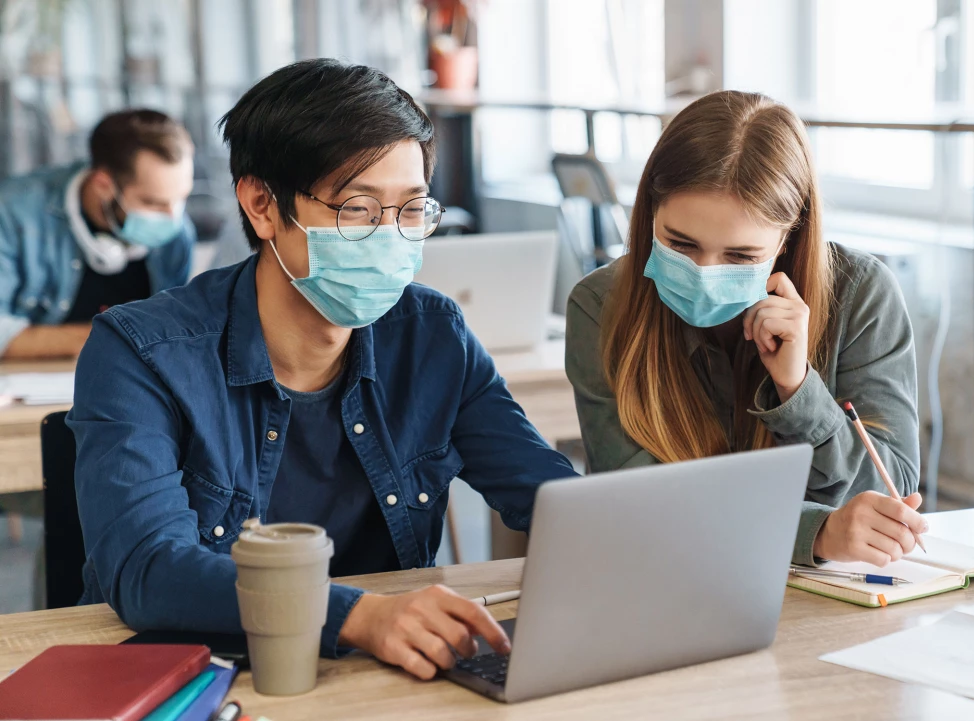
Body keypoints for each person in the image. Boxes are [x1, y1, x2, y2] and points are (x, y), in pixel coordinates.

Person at [68, 59, 576, 680]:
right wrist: (359, 617)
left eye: (411, 209)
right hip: (199, 677)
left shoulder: (431, 333)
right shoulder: (140, 350)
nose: (391, 237)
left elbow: (551, 497)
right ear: (261, 205)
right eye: (358, 209)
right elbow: (148, 567)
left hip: (381, 675)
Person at [566, 91, 926, 568]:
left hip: (840, 595)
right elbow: (638, 506)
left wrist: (798, 389)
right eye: (681, 244)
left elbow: (891, 496)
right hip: (673, 582)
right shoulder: (600, 306)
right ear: (650, 213)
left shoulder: (862, 295)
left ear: (788, 235)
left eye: (740, 257)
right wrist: (813, 533)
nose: (704, 271)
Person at [0, 109, 196, 359]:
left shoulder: (178, 234)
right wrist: (111, 337)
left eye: (182, 198)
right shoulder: (13, 213)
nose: (173, 216)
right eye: (153, 203)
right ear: (103, 184)